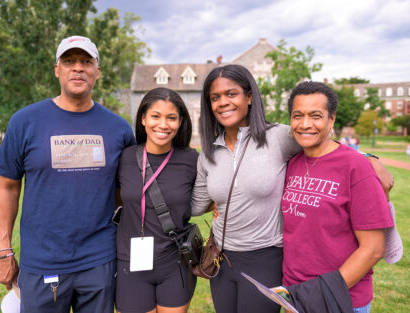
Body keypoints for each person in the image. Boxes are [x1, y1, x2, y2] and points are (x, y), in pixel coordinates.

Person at [191, 64, 393, 313]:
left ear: (249, 96)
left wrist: (368, 157)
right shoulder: (210, 151)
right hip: (226, 259)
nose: (223, 102)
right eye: (215, 97)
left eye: (231, 94)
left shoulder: (277, 137)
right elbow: (196, 203)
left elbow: (321, 142)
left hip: (269, 259)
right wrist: (215, 202)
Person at [0, 35, 135, 313]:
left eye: (86, 62)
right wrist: (3, 250)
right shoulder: (25, 121)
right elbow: (7, 187)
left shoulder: (119, 129)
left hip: (99, 261)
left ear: (97, 72)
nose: (78, 68)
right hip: (42, 261)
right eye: (69, 61)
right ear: (57, 70)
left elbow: (123, 192)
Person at [281, 81, 393, 312]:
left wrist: (320, 294)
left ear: (331, 120)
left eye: (316, 116)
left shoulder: (356, 167)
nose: (305, 124)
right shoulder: (292, 163)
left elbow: (373, 248)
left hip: (340, 298)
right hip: (295, 294)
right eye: (297, 115)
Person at [115, 87, 198, 313]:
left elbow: (208, 196)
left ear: (180, 122)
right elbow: (115, 200)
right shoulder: (125, 158)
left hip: (175, 262)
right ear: (143, 119)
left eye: (171, 118)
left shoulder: (191, 160)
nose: (163, 124)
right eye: (155, 116)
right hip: (131, 263)